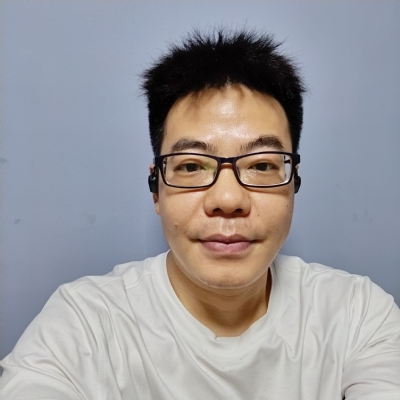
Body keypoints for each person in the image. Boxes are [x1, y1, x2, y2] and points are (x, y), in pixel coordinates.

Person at [1, 28, 399, 400]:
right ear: (156, 187)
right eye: (192, 166)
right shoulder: (85, 324)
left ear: (293, 181)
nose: (227, 198)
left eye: (261, 165)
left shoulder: (356, 316)